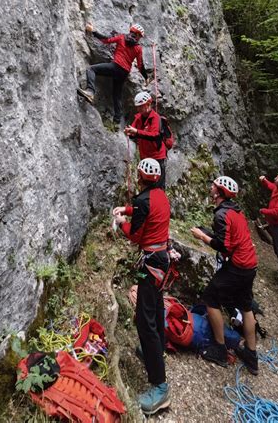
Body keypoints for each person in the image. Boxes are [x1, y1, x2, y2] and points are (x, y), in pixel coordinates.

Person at [112, 158, 171, 415]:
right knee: (156, 309)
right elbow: (145, 208)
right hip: (162, 260)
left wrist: (119, 223)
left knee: (144, 320)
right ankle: (157, 351)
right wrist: (126, 209)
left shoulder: (143, 200)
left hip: (151, 263)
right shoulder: (160, 195)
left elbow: (134, 234)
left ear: (139, 176)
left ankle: (160, 388)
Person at [191, 176, 259, 375]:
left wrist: (202, 236)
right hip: (250, 265)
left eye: (213, 186)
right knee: (246, 306)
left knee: (211, 299)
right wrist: (208, 233)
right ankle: (251, 355)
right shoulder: (235, 210)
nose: (211, 187)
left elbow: (224, 246)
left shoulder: (221, 214)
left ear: (219, 192)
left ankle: (219, 350)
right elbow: (229, 237)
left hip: (238, 266)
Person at [77, 23, 148, 123]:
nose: (139, 38)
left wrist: (93, 31)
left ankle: (90, 91)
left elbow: (106, 40)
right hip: (124, 73)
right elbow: (140, 66)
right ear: (137, 35)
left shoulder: (121, 37)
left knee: (91, 69)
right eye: (140, 36)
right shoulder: (138, 48)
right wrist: (146, 77)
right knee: (117, 95)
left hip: (116, 66)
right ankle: (117, 120)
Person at [124, 91, 167, 189]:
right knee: (145, 184)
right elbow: (135, 132)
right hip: (145, 156)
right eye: (138, 107)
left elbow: (155, 135)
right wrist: (130, 133)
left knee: (158, 185)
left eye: (141, 106)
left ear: (148, 104)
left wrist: (137, 132)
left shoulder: (155, 118)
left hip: (157, 156)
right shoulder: (138, 118)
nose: (138, 109)